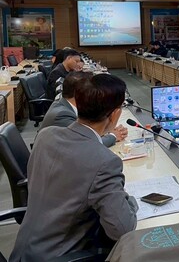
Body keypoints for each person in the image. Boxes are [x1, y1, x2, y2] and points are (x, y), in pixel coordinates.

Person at [9, 74, 138, 261]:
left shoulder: (46, 135)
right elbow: (123, 229)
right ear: (115, 114)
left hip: (23, 252)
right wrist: (131, 201)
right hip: (61, 256)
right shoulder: (105, 162)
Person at [40, 71, 128, 147]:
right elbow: (86, 143)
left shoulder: (63, 103)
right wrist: (113, 136)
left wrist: (105, 128)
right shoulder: (62, 114)